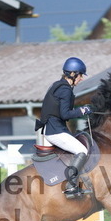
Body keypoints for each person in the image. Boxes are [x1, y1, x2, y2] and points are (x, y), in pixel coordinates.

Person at [38, 57, 92, 199]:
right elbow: (65, 114)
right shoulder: (65, 90)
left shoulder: (57, 85)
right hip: (55, 131)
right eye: (80, 75)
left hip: (51, 129)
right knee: (82, 150)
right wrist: (82, 111)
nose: (81, 79)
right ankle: (71, 186)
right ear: (73, 74)